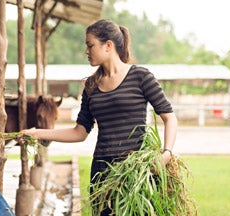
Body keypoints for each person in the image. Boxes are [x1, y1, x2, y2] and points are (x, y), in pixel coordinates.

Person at [19, 19, 178, 215]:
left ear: (108, 45)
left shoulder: (141, 77)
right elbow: (80, 132)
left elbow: (169, 116)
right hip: (102, 172)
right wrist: (38, 133)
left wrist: (166, 153)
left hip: (136, 171)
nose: (86, 51)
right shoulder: (90, 86)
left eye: (90, 45)